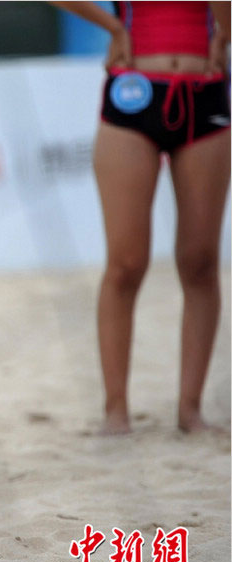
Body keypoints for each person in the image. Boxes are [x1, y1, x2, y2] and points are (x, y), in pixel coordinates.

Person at [51, 2, 230, 434]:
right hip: (133, 92)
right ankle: (116, 410)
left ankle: (191, 410)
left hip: (205, 93)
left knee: (200, 261)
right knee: (126, 263)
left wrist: (224, 32)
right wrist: (111, 25)